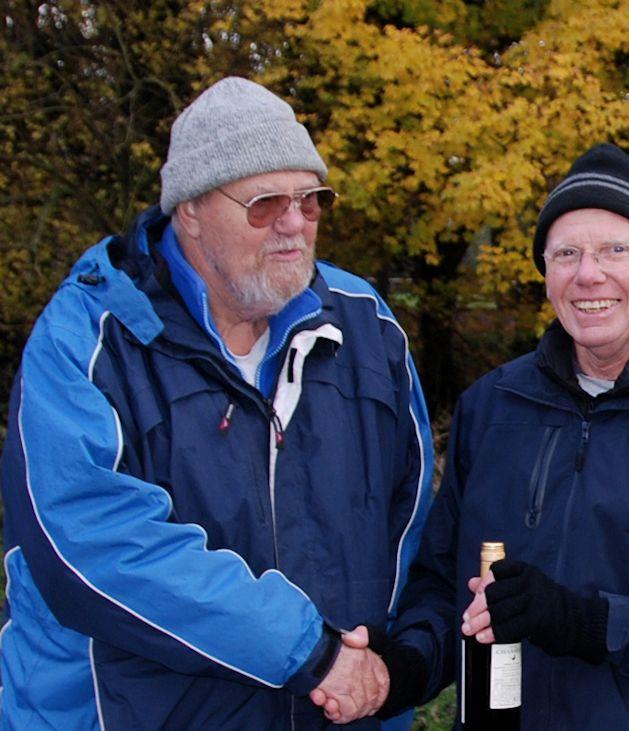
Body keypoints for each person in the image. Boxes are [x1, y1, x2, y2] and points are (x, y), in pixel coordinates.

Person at [0, 76, 433, 730]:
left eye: (311, 201)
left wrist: (392, 671)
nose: (294, 225)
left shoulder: (370, 332)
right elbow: (92, 544)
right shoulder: (88, 338)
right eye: (265, 204)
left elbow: (413, 531)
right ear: (191, 211)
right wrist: (311, 653)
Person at [365, 143, 629, 728]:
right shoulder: (493, 406)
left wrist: (591, 623)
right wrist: (403, 670)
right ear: (546, 272)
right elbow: (445, 587)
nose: (587, 273)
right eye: (565, 253)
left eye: (615, 250)